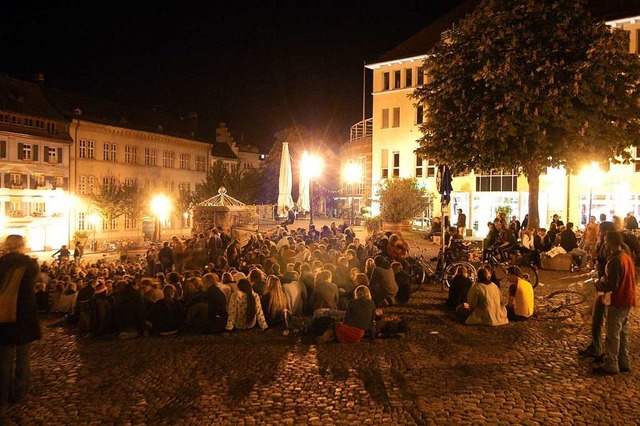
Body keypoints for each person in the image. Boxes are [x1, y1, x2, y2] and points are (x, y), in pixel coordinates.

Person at [0, 235, 41, 407]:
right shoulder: (31, 265)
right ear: (23, 245)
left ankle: (2, 396)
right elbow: (34, 282)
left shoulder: (1, 263)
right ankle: (20, 394)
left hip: (4, 314)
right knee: (23, 357)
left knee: (4, 359)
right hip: (25, 315)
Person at [592, 231, 637, 375]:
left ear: (610, 242)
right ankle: (624, 361)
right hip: (627, 298)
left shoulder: (615, 260)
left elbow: (612, 284)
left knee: (613, 332)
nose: (604, 243)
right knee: (622, 332)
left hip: (618, 299)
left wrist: (598, 284)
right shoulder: (626, 257)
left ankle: (611, 363)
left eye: (605, 241)